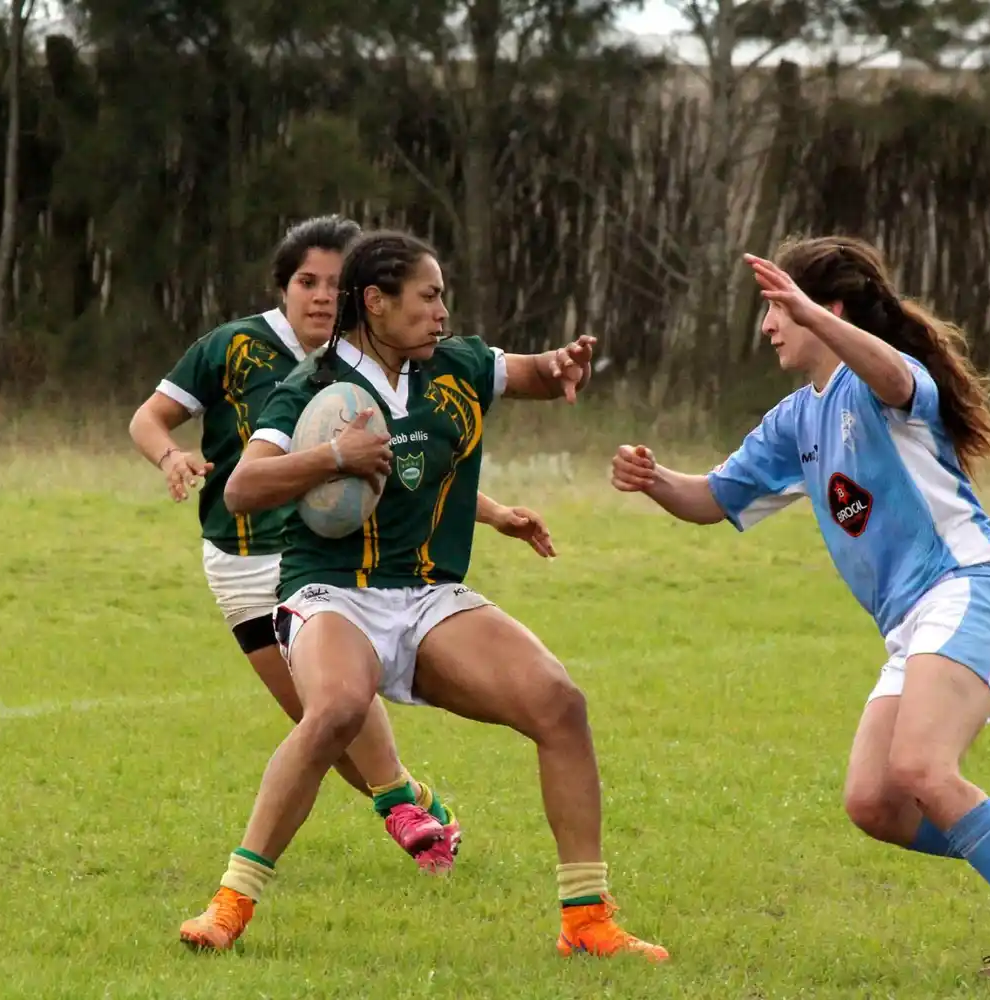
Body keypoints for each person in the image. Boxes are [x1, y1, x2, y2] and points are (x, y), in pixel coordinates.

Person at [610, 234, 990, 979]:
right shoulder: (794, 420)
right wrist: (653, 480)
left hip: (971, 587)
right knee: (875, 801)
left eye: (778, 310)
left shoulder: (885, 383)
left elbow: (891, 374)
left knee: (922, 767)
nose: (769, 327)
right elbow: (713, 499)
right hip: (913, 624)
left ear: (827, 310)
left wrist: (815, 313)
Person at [176, 228, 670, 962]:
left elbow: (529, 373)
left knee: (560, 705)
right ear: (375, 302)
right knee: (338, 708)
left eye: (444, 297)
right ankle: (230, 902)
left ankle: (587, 919)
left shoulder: (456, 365)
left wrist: (563, 366)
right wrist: (333, 458)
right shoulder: (308, 387)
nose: (442, 311)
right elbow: (243, 487)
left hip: (431, 594)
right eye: (428, 296)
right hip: (329, 591)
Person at [129, 215, 558, 875]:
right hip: (246, 560)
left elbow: (405, 472)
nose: (323, 295)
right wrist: (169, 457)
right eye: (308, 281)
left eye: (335, 282)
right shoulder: (234, 347)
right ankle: (408, 799)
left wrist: (494, 512)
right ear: (283, 287)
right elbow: (150, 416)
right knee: (320, 727)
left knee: (337, 709)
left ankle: (398, 810)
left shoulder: (382, 363)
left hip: (327, 565)